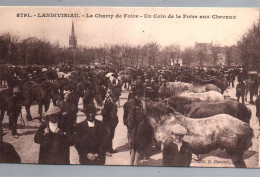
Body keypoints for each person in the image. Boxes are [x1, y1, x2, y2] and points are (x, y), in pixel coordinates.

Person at [101, 89, 119, 156]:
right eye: (116, 97)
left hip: (112, 122)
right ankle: (106, 150)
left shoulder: (113, 103)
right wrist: (108, 117)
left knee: (111, 135)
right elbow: (103, 113)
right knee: (107, 136)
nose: (117, 99)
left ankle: (110, 149)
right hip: (107, 122)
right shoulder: (109, 103)